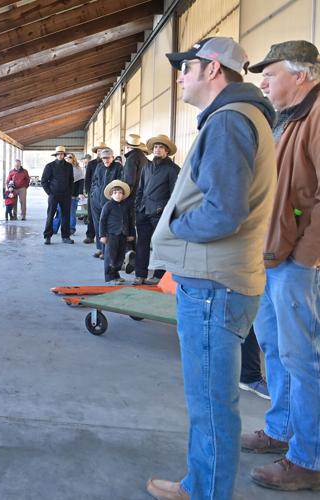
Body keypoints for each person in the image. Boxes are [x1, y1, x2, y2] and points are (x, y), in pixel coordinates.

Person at [146, 37, 277, 500]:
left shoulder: (228, 123)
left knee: (210, 402)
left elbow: (224, 211)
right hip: (222, 279)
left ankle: (204, 492)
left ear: (213, 69)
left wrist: (177, 223)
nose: (180, 76)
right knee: (212, 398)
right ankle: (202, 483)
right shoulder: (242, 118)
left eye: (187, 67)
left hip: (212, 284)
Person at [241, 40, 320, 492]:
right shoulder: (291, 119)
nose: (263, 81)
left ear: (301, 74)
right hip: (277, 256)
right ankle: (281, 430)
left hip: (299, 263)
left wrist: (306, 255)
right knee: (276, 348)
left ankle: (308, 458)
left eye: (270, 73)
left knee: (303, 358)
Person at [133, 134, 180, 285]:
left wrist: (165, 210)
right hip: (144, 211)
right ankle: (140, 274)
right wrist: (138, 206)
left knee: (161, 245)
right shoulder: (147, 166)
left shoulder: (173, 169)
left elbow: (175, 194)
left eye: (161, 147)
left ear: (167, 151)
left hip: (160, 213)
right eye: (155, 147)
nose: (158, 150)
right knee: (142, 244)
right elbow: (140, 188)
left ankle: (159, 275)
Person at [89, 147, 123, 259]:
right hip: (96, 201)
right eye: (103, 158)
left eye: (108, 158)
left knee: (107, 226)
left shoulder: (118, 167)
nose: (106, 160)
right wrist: (93, 193)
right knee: (97, 224)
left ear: (113, 157)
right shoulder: (99, 167)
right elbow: (94, 181)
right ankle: (100, 248)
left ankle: (106, 251)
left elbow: (120, 184)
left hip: (109, 202)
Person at [99, 180, 135, 283]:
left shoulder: (126, 206)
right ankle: (110, 277)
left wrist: (131, 233)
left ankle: (116, 274)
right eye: (115, 193)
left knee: (120, 256)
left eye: (120, 193)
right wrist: (102, 235)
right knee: (111, 256)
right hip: (111, 234)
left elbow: (130, 220)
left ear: (123, 195)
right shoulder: (108, 206)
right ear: (111, 195)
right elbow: (102, 220)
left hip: (123, 234)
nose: (118, 195)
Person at [41, 146, 75, 245]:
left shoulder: (69, 166)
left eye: (62, 154)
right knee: (50, 215)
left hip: (66, 195)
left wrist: (70, 192)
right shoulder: (50, 166)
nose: (60, 156)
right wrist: (49, 192)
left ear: (64, 155)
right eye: (58, 154)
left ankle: (66, 236)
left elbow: (71, 180)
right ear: (56, 155)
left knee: (66, 216)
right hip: (53, 194)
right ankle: (47, 236)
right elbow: (44, 181)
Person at [52, 153, 85, 235]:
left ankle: (71, 229)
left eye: (70, 157)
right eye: (66, 157)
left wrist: (80, 193)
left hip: (73, 195)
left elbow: (81, 182)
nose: (68, 159)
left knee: (71, 212)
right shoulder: (62, 168)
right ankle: (54, 229)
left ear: (73, 159)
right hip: (62, 194)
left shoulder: (78, 169)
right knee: (59, 212)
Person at [84, 143, 106, 243]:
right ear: (96, 152)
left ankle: (102, 236)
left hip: (105, 193)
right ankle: (90, 235)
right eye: (98, 151)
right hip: (93, 193)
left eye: (102, 150)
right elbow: (87, 178)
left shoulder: (109, 162)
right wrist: (89, 192)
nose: (100, 152)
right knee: (91, 215)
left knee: (104, 215)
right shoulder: (91, 163)